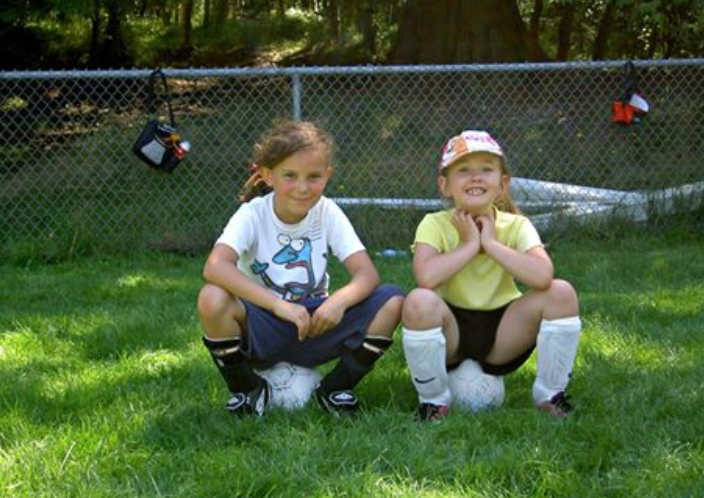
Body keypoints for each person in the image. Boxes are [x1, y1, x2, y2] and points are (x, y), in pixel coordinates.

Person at [197, 120, 404, 417]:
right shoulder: (253, 214)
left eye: (314, 176)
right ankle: (247, 391)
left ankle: (335, 390)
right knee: (212, 297)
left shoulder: (327, 212)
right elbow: (215, 266)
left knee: (393, 300)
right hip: (262, 327)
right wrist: (279, 306)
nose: (302, 187)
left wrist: (338, 302)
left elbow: (367, 274)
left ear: (327, 176)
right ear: (267, 175)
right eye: (290, 176)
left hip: (314, 325)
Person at [401, 130, 582, 421]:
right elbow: (427, 278)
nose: (475, 177)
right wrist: (470, 244)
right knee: (418, 301)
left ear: (503, 184)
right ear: (445, 185)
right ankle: (433, 402)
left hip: (504, 330)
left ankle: (550, 395)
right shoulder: (433, 224)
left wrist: (492, 244)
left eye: (486, 169)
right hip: (451, 331)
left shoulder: (516, 225)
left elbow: (542, 277)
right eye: (464, 170)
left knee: (561, 292)